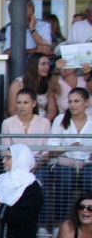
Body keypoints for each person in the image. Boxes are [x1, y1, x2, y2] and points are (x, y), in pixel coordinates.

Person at [46, 87, 92, 224]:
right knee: (64, 179)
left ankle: (87, 222)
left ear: (86, 102)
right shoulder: (60, 120)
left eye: (76, 101)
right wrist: (67, 148)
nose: (72, 105)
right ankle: (59, 224)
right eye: (70, 101)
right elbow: (51, 148)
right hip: (65, 163)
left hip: (88, 164)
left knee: (89, 178)